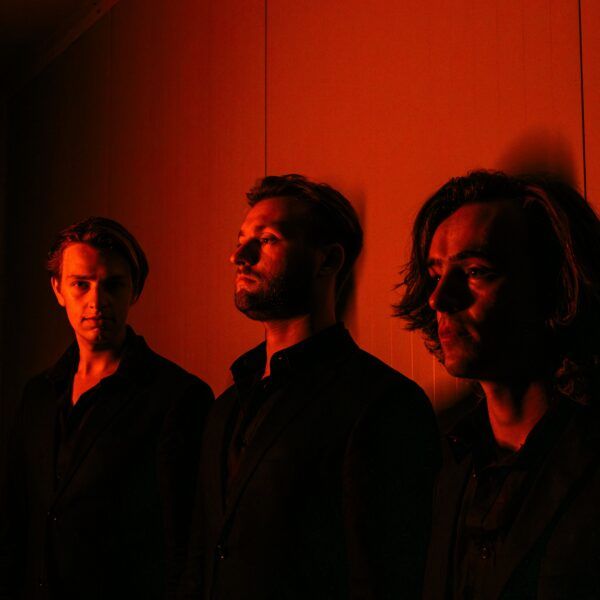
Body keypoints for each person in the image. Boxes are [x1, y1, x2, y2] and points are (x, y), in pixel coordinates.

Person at [180, 174, 440, 600]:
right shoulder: (226, 405)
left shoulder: (381, 402)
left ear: (329, 260)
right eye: (241, 240)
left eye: (266, 240)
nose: (238, 256)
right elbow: (200, 554)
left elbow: (384, 575)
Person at [395, 170, 600, 599]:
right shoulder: (441, 458)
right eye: (435, 273)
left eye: (475, 271)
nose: (438, 298)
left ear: (552, 285)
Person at [0, 217, 213, 600]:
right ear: (58, 289)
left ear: (135, 289)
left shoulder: (177, 397)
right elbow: (17, 516)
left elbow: (184, 538)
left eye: (113, 284)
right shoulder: (38, 395)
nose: (97, 302)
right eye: (81, 284)